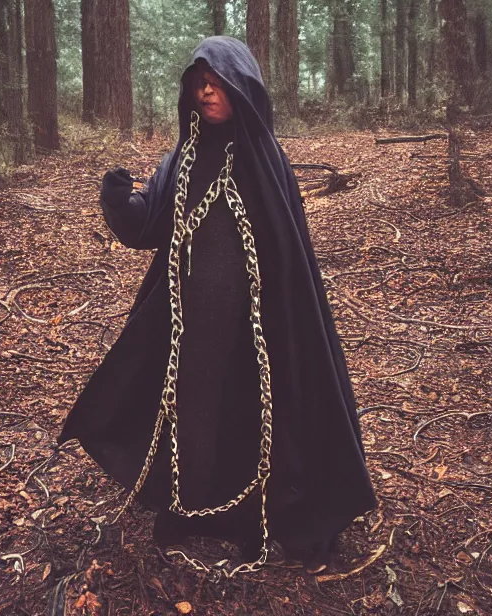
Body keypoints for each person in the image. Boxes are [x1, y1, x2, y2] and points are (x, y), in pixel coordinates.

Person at [58, 36, 376, 573]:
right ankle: (192, 508)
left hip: (260, 325)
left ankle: (256, 515)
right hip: (190, 323)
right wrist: (118, 200)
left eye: (216, 81)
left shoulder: (266, 159)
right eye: (197, 81)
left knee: (257, 415)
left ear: (241, 87)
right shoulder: (184, 156)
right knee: (195, 412)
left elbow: (289, 253)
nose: (205, 91)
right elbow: (149, 223)